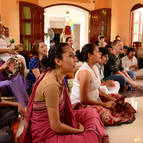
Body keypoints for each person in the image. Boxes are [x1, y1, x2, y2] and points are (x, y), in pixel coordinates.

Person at [18, 43, 108, 143]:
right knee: (89, 139)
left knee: (91, 112)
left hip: (59, 119)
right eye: (71, 56)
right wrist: (78, 131)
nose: (75, 59)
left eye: (74, 56)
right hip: (47, 134)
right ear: (58, 61)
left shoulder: (58, 76)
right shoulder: (51, 84)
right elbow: (56, 126)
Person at [71, 43, 136, 126]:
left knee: (117, 98)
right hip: (80, 105)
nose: (100, 54)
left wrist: (110, 98)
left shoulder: (94, 67)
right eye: (97, 52)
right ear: (89, 55)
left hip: (94, 99)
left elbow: (97, 89)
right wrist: (104, 104)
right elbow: (83, 100)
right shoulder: (85, 72)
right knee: (105, 113)